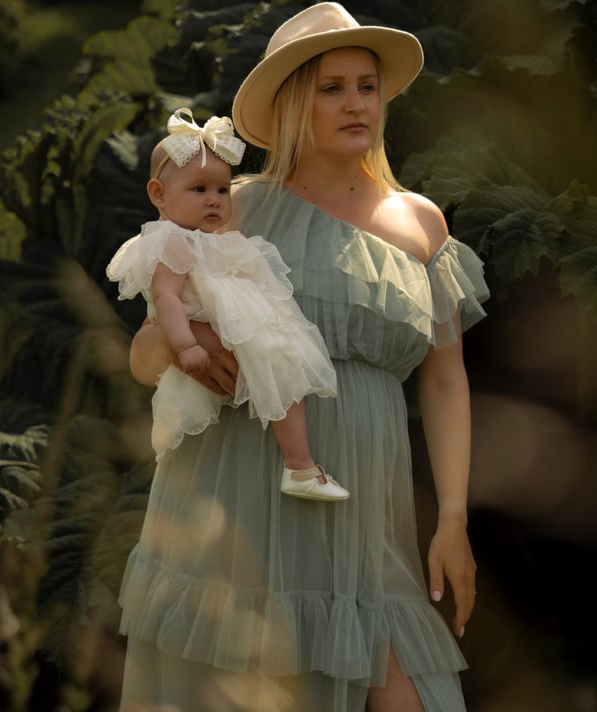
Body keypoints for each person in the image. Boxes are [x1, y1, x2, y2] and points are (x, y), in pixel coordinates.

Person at [115, 3, 489, 711]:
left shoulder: (420, 224)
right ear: (293, 104)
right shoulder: (235, 208)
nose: (356, 103)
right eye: (332, 87)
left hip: (369, 515)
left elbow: (445, 383)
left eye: (367, 86)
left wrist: (452, 516)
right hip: (241, 501)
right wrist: (180, 345)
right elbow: (143, 357)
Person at [107, 107, 348, 502]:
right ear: (158, 195)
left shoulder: (212, 240)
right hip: (206, 338)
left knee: (284, 366)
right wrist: (185, 346)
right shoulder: (172, 240)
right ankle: (300, 465)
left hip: (234, 328)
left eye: (222, 190)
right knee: (276, 364)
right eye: (199, 190)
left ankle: (299, 464)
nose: (215, 200)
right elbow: (166, 298)